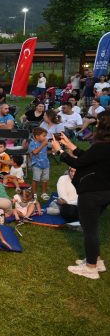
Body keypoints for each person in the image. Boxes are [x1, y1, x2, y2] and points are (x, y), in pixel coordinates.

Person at [52, 117, 110, 279]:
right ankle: (96, 260)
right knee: (93, 228)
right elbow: (88, 158)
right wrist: (70, 145)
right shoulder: (105, 146)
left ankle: (91, 268)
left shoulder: (100, 145)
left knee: (89, 230)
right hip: (105, 191)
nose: (95, 124)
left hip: (92, 192)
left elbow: (79, 163)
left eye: (98, 122)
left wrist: (59, 151)